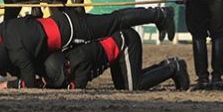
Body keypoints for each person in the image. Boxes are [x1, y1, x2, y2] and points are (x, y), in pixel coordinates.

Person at [0, 6, 175, 89]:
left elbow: (30, 86)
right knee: (113, 21)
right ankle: (157, 17)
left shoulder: (16, 49)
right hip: (62, 24)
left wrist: (11, 87)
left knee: (113, 21)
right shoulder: (5, 33)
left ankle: (158, 15)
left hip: (71, 30)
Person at [40, 28, 190, 91]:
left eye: (64, 74)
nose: (66, 77)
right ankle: (166, 65)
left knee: (133, 87)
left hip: (126, 42)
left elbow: (77, 87)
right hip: (117, 49)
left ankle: (174, 68)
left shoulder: (81, 60)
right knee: (123, 86)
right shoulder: (72, 59)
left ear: (66, 63)